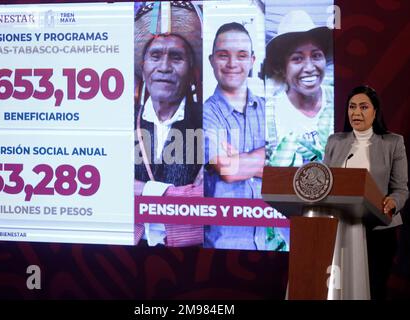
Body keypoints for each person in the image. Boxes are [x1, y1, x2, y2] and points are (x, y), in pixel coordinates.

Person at [203, 22, 287, 250]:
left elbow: (287, 166)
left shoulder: (271, 109)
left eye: (241, 56)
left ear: (252, 61)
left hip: (272, 244)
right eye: (223, 55)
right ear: (211, 60)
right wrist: (266, 158)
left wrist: (242, 160)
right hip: (222, 247)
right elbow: (229, 170)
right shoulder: (203, 115)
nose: (232, 64)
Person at [324, 85, 409, 299]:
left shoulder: (393, 142)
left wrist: (393, 202)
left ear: (375, 111)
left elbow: (401, 189)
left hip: (378, 230)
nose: (356, 112)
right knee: (340, 291)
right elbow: (324, 183)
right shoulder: (335, 141)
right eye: (352, 107)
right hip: (340, 229)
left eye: (363, 107)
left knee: (373, 290)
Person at [133, 2, 203, 247]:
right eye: (155, 56)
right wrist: (177, 194)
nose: (164, 67)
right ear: (143, 68)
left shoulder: (206, 122)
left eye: (176, 57)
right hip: (129, 251)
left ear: (192, 71)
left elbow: (204, 199)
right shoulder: (124, 122)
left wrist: (142, 190)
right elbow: (109, 190)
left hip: (191, 255)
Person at [263, 10, 333, 166]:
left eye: (316, 56)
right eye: (297, 58)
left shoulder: (341, 102)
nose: (309, 68)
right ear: (282, 67)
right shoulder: (269, 115)